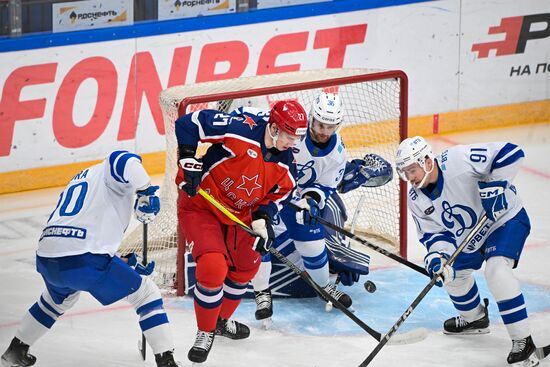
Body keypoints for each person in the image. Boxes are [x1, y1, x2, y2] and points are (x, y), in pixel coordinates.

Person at [0, 150, 180, 367]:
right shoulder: (109, 170)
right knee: (146, 294)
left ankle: (16, 349)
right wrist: (146, 193)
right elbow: (125, 159)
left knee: (56, 299)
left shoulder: (83, 178)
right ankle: (166, 360)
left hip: (48, 257)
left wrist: (126, 264)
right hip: (83, 258)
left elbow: (81, 236)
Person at [174, 100, 308, 364]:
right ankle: (206, 331)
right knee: (213, 268)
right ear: (273, 127)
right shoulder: (239, 129)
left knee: (247, 267)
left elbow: (272, 199)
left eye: (297, 138)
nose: (292, 143)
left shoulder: (287, 168)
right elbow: (188, 124)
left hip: (239, 216)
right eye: (289, 136)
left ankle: (220, 322)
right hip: (203, 203)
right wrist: (188, 158)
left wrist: (262, 219)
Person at [396, 136, 539, 366]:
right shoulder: (416, 199)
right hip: (469, 237)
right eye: (405, 172)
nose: (409, 178)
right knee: (450, 274)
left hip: (504, 221)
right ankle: (475, 319)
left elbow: (511, 152)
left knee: (496, 271)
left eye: (412, 170)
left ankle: (523, 340)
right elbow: (434, 235)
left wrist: (496, 185)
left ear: (427, 161)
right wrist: (438, 257)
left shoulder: (458, 160)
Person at [250, 92, 393, 322]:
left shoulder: (337, 153)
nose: (324, 131)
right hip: (266, 191)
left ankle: (324, 286)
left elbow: (325, 186)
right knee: (261, 238)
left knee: (313, 243)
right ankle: (262, 293)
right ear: (310, 119)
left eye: (331, 126)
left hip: (296, 198)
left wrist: (312, 201)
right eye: (320, 125)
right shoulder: (294, 130)